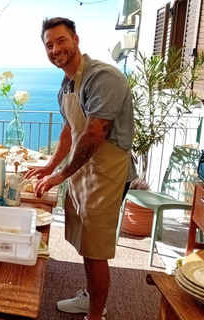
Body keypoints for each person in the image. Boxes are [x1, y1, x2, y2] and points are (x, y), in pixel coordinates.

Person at [25, 17, 137, 320]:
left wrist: (61, 174)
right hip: (84, 171)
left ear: (76, 40)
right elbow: (68, 130)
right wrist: (49, 165)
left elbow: (94, 132)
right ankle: (90, 298)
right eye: (49, 45)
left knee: (96, 249)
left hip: (106, 173)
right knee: (86, 244)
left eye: (61, 40)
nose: (55, 49)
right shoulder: (67, 85)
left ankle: (95, 315)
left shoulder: (102, 77)